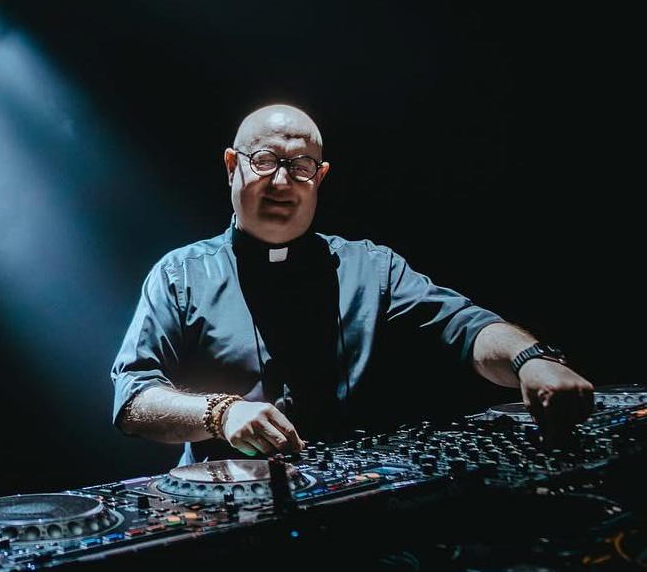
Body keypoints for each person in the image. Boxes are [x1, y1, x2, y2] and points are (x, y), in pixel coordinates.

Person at [111, 104, 594, 464]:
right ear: (232, 165)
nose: (281, 182)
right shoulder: (180, 274)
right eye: (264, 160)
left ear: (319, 177)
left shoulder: (372, 267)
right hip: (226, 509)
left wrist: (531, 360)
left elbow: (466, 328)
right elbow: (134, 400)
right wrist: (220, 414)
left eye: (300, 166)